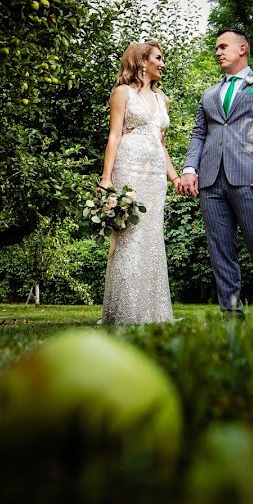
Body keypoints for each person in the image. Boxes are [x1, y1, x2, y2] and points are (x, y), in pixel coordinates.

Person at [177, 29, 253, 318]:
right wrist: (190, 168)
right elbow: (199, 133)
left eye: (223, 46)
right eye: (216, 47)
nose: (218, 51)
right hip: (211, 182)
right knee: (220, 250)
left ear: (243, 48)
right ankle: (231, 314)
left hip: (251, 178)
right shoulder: (209, 94)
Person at [99, 41, 180, 324]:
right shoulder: (122, 93)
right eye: (158, 58)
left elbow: (161, 145)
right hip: (129, 169)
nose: (163, 63)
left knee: (152, 237)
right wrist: (106, 178)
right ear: (142, 61)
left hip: (155, 174)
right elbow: (114, 135)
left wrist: (176, 177)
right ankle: (124, 311)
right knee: (130, 236)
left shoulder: (163, 99)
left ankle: (153, 310)